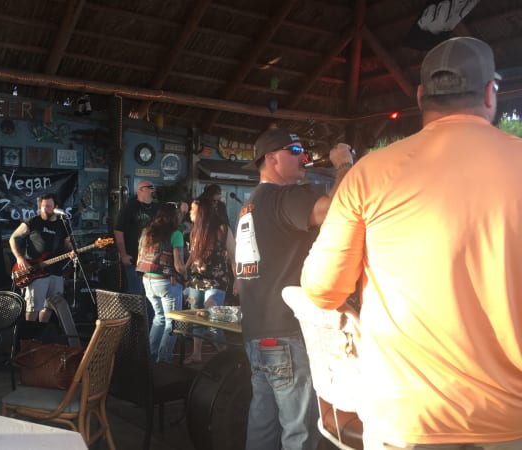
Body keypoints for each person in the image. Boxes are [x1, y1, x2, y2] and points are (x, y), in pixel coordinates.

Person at [301, 36, 522, 450]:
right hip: (512, 420)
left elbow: (322, 290)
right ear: (490, 94)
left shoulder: (369, 175)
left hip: (406, 419)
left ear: (421, 96)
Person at [235, 128, 353, 450]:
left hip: (257, 332)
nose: (304, 157)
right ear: (272, 159)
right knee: (299, 433)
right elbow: (336, 210)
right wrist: (344, 164)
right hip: (287, 332)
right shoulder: (283, 197)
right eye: (295, 150)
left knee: (262, 426)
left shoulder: (249, 206)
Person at [184, 197, 236, 364]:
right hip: (196, 279)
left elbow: (234, 254)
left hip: (216, 280)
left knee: (213, 318)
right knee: (197, 318)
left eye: (193, 209)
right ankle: (196, 353)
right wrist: (185, 271)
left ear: (202, 211)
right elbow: (193, 255)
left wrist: (238, 279)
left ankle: (226, 357)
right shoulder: (195, 230)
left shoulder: (222, 229)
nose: (190, 212)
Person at [9, 193, 73, 322]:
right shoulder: (33, 221)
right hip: (35, 270)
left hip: (56, 271)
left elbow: (68, 245)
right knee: (33, 307)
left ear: (56, 207)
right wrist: (19, 258)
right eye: (43, 206)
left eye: (48, 206)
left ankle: (41, 332)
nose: (44, 209)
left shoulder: (63, 225)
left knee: (49, 307)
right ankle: (30, 333)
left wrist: (72, 252)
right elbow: (13, 238)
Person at [136, 203, 186, 363]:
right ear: (174, 217)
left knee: (159, 318)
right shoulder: (176, 234)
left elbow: (140, 257)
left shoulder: (146, 232)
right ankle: (164, 361)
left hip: (147, 280)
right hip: (166, 283)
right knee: (172, 322)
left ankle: (150, 358)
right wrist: (186, 277)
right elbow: (179, 266)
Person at [114, 179, 158, 295]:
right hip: (133, 258)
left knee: (150, 294)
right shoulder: (129, 207)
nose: (154, 190)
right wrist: (123, 254)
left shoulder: (156, 208)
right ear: (141, 190)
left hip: (152, 260)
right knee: (136, 292)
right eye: (151, 187)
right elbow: (118, 231)